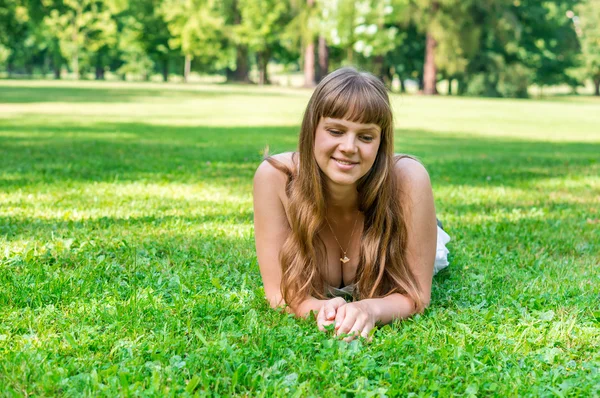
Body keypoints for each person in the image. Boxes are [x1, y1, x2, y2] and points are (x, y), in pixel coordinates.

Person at [253, 67, 450, 341]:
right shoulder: (275, 178)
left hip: (399, 219)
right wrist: (316, 308)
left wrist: (371, 309)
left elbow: (417, 295)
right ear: (312, 130)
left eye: (366, 137)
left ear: (381, 143)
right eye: (335, 131)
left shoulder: (409, 180)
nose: (348, 147)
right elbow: (277, 294)